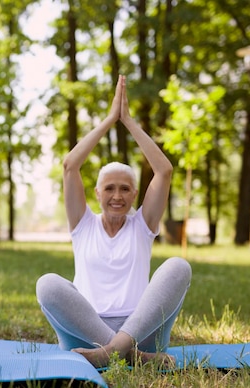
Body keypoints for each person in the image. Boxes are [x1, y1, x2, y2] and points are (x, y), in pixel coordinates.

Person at [36, 75, 191, 368]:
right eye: (109, 188)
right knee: (47, 284)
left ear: (135, 194)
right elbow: (70, 166)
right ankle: (132, 358)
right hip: (86, 334)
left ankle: (113, 352)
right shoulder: (83, 225)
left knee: (178, 267)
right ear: (97, 193)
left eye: (124, 189)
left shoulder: (142, 225)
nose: (117, 196)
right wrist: (109, 121)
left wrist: (129, 122)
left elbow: (164, 170)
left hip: (141, 331)